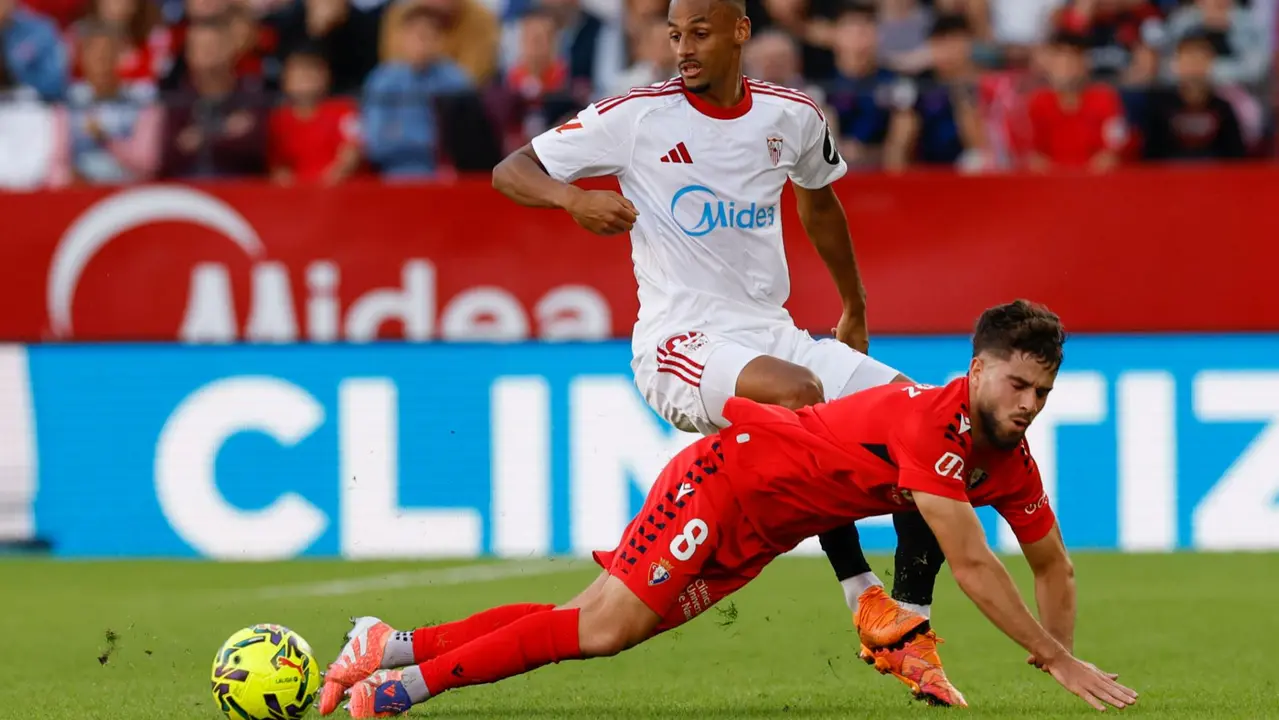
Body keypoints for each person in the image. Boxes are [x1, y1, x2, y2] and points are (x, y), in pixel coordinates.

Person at [316, 300, 1141, 717]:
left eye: (1041, 390)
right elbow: (971, 559)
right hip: (722, 481)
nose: (1028, 402)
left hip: (760, 530)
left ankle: (386, 646)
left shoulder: (1011, 460)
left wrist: (1053, 660)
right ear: (977, 366)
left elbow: (1050, 564)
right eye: (1015, 382)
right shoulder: (935, 422)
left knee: (591, 620)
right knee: (599, 630)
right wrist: (1055, 657)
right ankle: (394, 693)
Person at [488, 0, 963, 704]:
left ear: (740, 32)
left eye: (700, 33)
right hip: (680, 341)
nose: (683, 48)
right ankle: (860, 593)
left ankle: (910, 631)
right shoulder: (635, 116)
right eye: (676, 35)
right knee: (798, 394)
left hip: (769, 330)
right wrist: (570, 200)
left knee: (930, 426)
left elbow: (819, 203)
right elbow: (509, 169)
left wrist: (854, 305)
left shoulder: (789, 116)